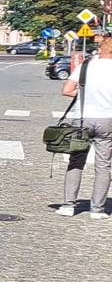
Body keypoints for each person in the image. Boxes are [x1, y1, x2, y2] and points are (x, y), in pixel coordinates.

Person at [58, 30, 112, 218]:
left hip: (82, 118)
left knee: (76, 161)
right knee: (104, 165)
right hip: (108, 120)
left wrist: (84, 95)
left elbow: (67, 90)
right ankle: (97, 210)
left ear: (100, 49)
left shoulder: (86, 66)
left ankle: (68, 206)